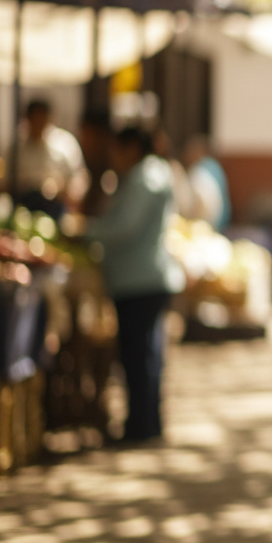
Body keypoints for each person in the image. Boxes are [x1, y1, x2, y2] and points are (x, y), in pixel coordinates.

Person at [86, 127, 186, 442]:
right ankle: (145, 425)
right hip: (143, 278)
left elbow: (124, 225)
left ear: (130, 149)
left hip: (140, 280)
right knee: (146, 357)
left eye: (117, 150)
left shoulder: (145, 178)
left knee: (139, 358)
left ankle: (141, 428)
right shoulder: (153, 174)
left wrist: (86, 231)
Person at [15, 98, 88, 217]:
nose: (38, 122)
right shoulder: (17, 148)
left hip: (58, 208)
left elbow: (79, 179)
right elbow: (3, 181)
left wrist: (61, 187)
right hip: (23, 211)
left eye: (42, 118)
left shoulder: (65, 144)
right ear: (28, 119)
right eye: (35, 118)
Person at [182, 135, 231, 231]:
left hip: (211, 226)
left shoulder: (199, 171)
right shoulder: (215, 166)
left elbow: (205, 206)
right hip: (225, 224)